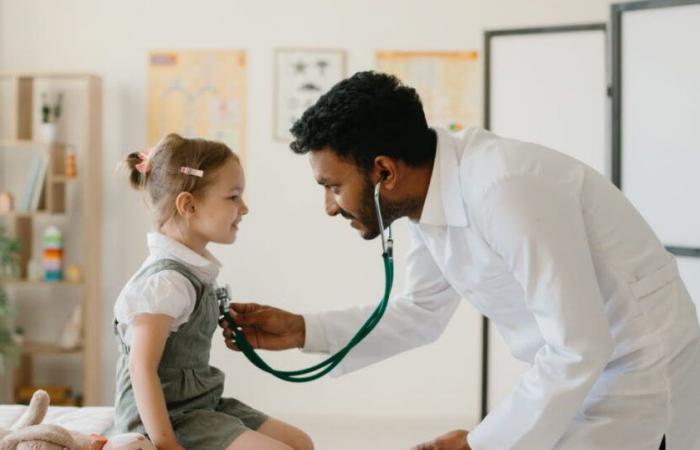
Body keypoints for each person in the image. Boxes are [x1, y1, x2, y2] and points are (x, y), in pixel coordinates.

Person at [222, 72, 700, 450]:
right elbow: (419, 313)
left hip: (640, 382)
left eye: (332, 186)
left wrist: (480, 442)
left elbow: (578, 347)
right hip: (578, 381)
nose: (330, 206)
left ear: (384, 171)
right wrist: (303, 330)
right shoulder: (431, 194)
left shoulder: (503, 189)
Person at [112, 134, 313, 450]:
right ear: (188, 205)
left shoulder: (193, 271)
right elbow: (141, 367)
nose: (244, 208)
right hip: (167, 416)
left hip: (201, 403)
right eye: (233, 197)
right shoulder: (165, 282)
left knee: (300, 443)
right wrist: (165, 443)